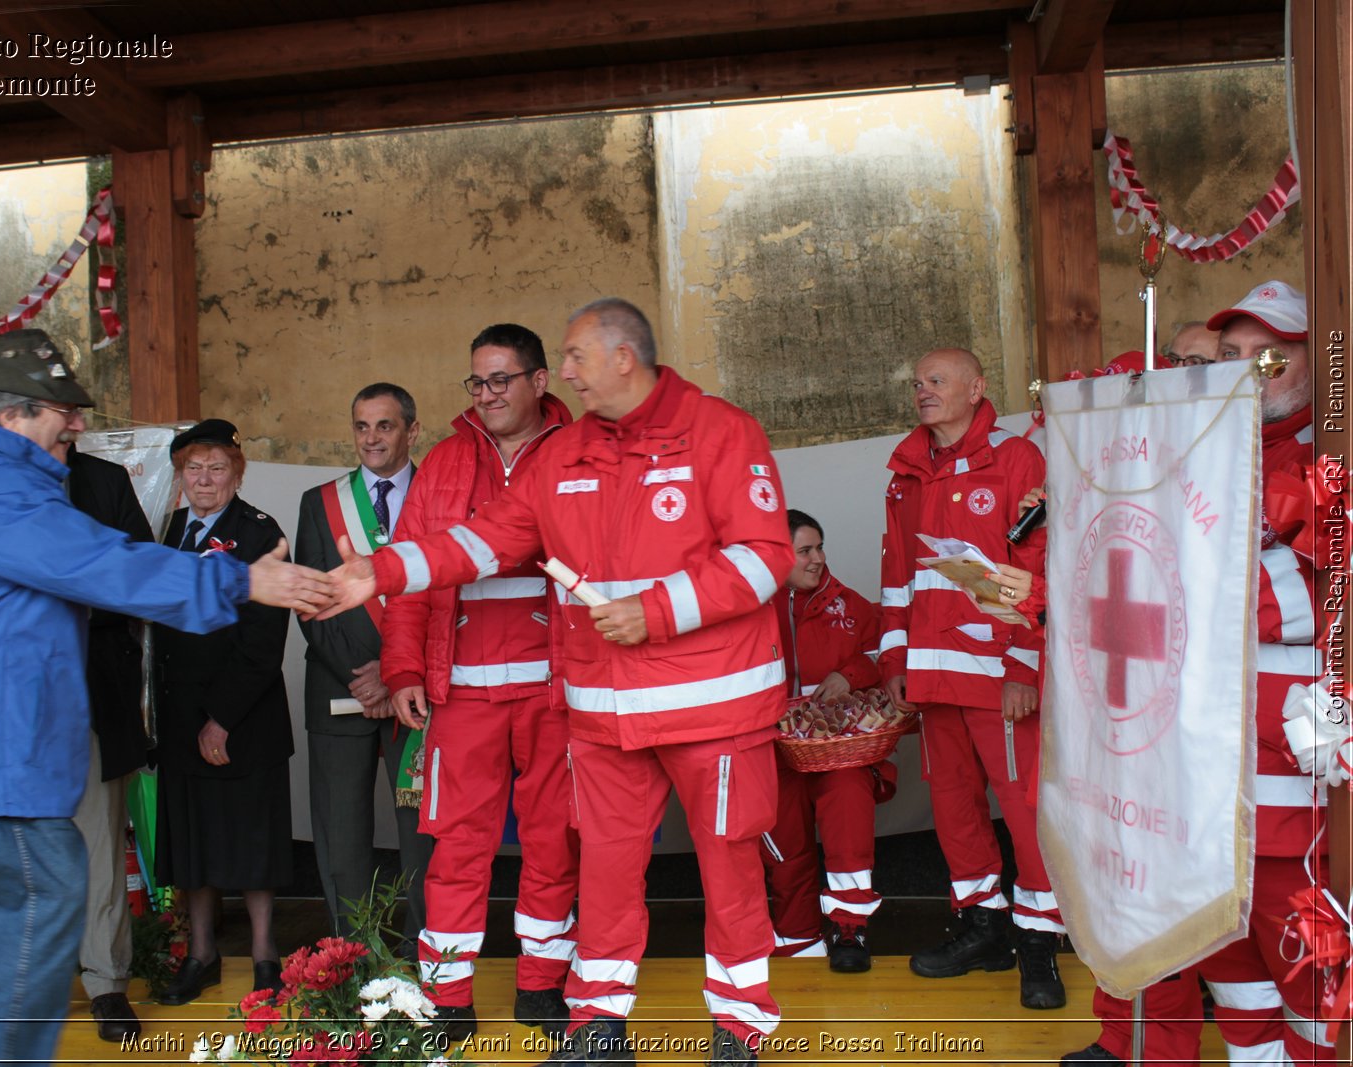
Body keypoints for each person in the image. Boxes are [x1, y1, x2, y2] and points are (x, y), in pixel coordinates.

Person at [318, 297, 794, 1066]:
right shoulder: (566, 454)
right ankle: (597, 1030)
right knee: (605, 875)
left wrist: (658, 610)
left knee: (730, 871)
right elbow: (484, 540)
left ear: (623, 358)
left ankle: (738, 1031)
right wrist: (382, 569)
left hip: (713, 711)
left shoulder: (721, 432)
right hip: (602, 716)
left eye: (573, 358)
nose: (563, 374)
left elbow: (765, 555)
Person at [0, 316, 331, 1067]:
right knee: (43, 901)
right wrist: (245, 577)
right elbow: (109, 566)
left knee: (17, 924)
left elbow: (106, 561)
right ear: (11, 416)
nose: (76, 421)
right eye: (59, 408)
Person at [1064, 280, 1333, 1066]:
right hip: (1198, 788)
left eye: (1271, 356)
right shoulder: (1209, 451)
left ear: (1321, 361)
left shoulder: (1330, 458)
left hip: (1293, 791)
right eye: (1232, 356)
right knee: (1235, 977)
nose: (1250, 371)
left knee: (1316, 987)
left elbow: (1307, 606)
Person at [379, 325, 579, 1040]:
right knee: (457, 848)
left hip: (557, 692)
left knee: (555, 842)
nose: (488, 393)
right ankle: (450, 997)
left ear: (539, 381)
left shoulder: (581, 452)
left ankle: (541, 986)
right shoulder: (443, 462)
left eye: (501, 379)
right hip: (459, 691)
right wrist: (403, 666)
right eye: (477, 381)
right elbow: (405, 568)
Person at [878, 347, 1064, 1010]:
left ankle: (1039, 941)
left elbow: (1038, 566)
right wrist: (895, 661)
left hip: (998, 679)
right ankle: (983, 927)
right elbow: (897, 575)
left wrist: (1022, 663)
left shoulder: (1017, 461)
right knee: (955, 812)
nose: (921, 390)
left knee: (1025, 812)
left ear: (976, 387)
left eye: (935, 380)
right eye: (917, 380)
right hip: (933, 679)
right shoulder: (904, 473)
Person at [152, 419, 297, 1005]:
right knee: (194, 846)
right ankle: (202, 954)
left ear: (237, 472)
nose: (204, 479)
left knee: (253, 844)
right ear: (180, 475)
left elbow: (264, 640)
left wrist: (222, 716)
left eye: (216, 467)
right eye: (194, 468)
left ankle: (265, 956)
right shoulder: (161, 533)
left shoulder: (260, 533)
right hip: (180, 718)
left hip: (245, 720)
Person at [295, 384, 433, 955]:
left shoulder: (442, 495)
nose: (371, 438)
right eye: (361, 426)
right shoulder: (319, 502)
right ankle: (350, 952)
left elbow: (453, 595)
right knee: (341, 831)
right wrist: (366, 671)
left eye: (384, 426)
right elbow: (310, 602)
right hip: (340, 686)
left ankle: (429, 952)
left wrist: (397, 670)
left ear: (411, 430)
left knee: (423, 833)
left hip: (419, 690)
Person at [761, 509, 888, 972]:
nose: (818, 559)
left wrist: (849, 674)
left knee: (848, 817)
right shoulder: (752, 606)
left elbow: (884, 653)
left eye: (820, 548)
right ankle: (795, 935)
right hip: (773, 750)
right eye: (805, 551)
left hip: (839, 749)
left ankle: (850, 927)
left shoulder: (849, 604)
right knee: (783, 843)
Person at [66, 445, 156, 1043]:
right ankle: (33, 980)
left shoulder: (101, 479)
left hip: (95, 682)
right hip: (13, 697)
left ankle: (105, 983)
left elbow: (138, 568)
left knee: (98, 841)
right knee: (21, 848)